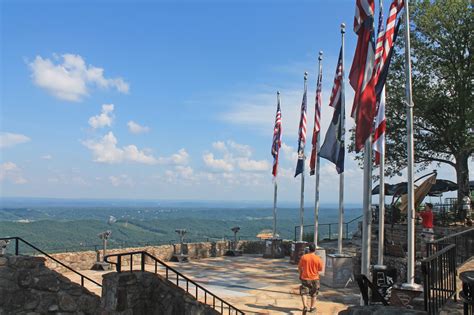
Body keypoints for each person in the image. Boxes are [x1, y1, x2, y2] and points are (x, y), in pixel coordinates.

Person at [298, 242, 323, 313]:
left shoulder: (304, 257)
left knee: (304, 293)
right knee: (314, 294)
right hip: (315, 278)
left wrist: (300, 274)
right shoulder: (318, 258)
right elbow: (320, 269)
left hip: (305, 278)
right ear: (315, 250)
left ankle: (305, 306)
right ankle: (312, 308)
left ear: (309, 249)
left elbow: (300, 267)